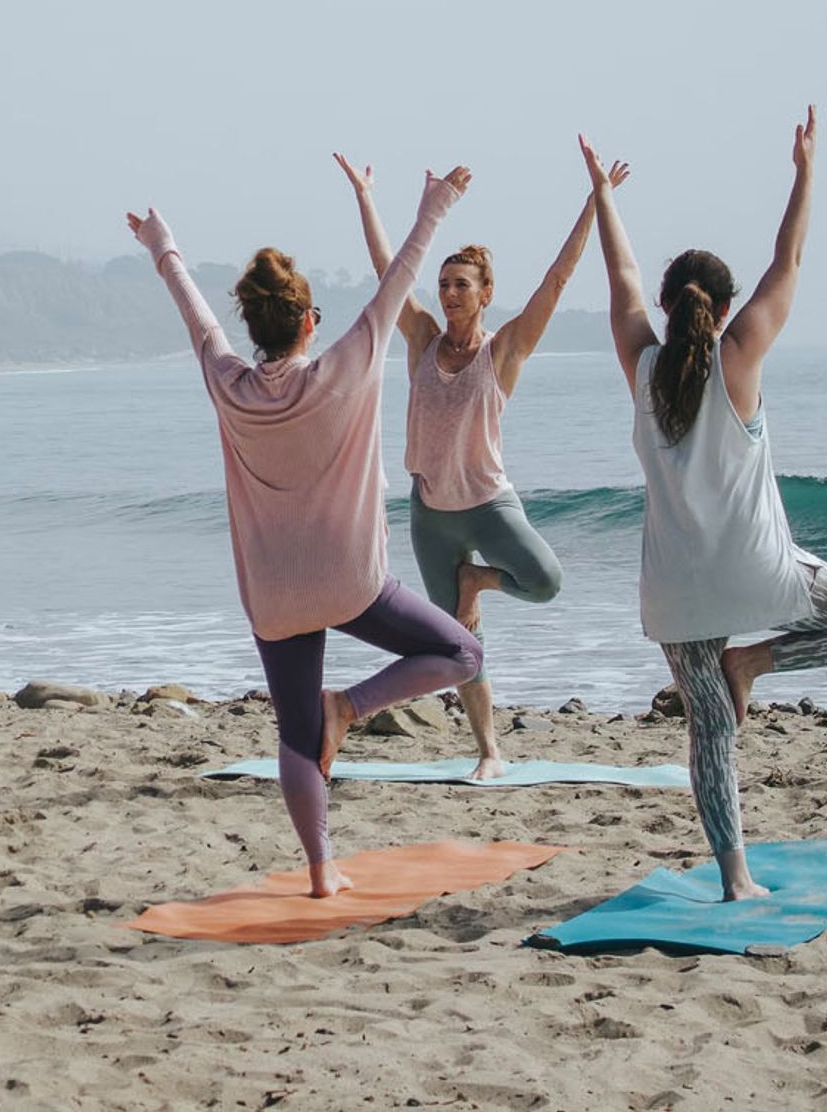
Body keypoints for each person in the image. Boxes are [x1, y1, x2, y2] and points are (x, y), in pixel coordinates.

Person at [127, 166, 482, 896]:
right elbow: (401, 281)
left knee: (293, 736)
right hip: (351, 583)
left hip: (274, 596)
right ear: (310, 321)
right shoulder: (345, 369)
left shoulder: (227, 382)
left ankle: (322, 874)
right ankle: (349, 707)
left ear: (254, 329)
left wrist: (163, 246)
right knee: (462, 652)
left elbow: (195, 315)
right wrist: (436, 206)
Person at [581, 107, 824, 900]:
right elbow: (788, 259)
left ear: (671, 304)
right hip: (760, 575)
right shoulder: (741, 354)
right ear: (721, 311)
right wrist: (803, 171)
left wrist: (602, 197)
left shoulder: (641, 367)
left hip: (677, 590)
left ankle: (736, 880)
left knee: (711, 734)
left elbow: (618, 283)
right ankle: (757, 658)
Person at [334, 153, 624, 779]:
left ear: (486, 293)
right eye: (443, 284)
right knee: (463, 648)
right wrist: (365, 197)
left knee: (545, 581)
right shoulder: (420, 340)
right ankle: (490, 750)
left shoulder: (506, 350)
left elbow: (558, 279)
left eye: (461, 284)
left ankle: (480, 581)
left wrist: (594, 200)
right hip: (431, 513)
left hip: (490, 505)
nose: (448, 293)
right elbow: (391, 271)